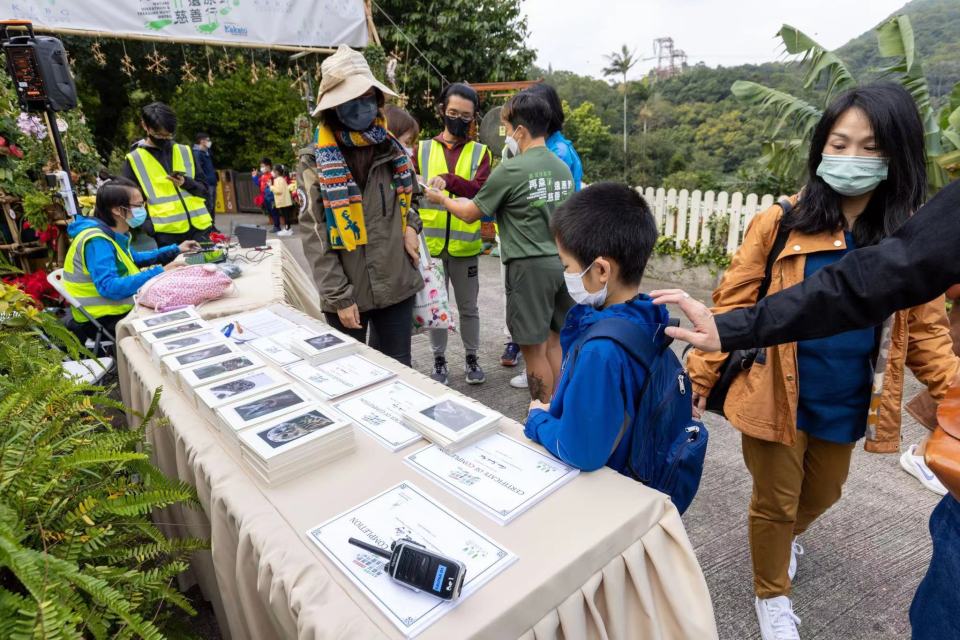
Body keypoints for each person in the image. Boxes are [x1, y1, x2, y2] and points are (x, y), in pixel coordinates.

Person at [681, 83, 959, 640]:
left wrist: (954, 391)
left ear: (897, 155)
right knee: (775, 502)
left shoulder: (910, 242)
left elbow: (928, 332)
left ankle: (782, 541)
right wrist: (696, 382)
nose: (851, 159)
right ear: (820, 147)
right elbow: (731, 305)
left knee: (824, 492)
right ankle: (771, 593)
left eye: (870, 147)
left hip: (848, 397)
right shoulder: (780, 221)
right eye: (840, 143)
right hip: (775, 392)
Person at [426, 91, 574, 402]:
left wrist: (441, 199)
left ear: (520, 131)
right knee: (555, 343)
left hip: (528, 268)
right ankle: (559, 411)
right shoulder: (562, 168)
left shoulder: (512, 169)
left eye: (507, 127)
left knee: (533, 353)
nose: (506, 133)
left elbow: (470, 214)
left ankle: (541, 413)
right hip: (561, 265)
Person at [524, 182, 666, 472]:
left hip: (609, 481)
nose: (566, 274)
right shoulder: (650, 315)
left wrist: (538, 420)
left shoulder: (600, 352)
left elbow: (582, 452)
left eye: (567, 266)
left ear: (601, 270)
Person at [302, 45, 423, 367]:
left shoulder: (392, 149)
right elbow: (315, 234)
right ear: (334, 107)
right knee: (351, 371)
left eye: (368, 97)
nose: (363, 106)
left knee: (399, 369)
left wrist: (411, 226)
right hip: (348, 291)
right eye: (352, 99)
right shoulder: (315, 160)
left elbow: (414, 197)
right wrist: (339, 296)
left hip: (396, 284)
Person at [503, 83, 585, 388]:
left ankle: (544, 399)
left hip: (540, 252)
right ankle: (556, 400)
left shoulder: (556, 152)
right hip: (558, 251)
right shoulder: (557, 148)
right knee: (552, 335)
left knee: (542, 337)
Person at [414, 83, 493, 386]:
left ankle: (471, 357)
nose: (458, 119)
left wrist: (448, 181)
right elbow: (409, 188)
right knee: (437, 307)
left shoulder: (481, 152)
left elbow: (480, 190)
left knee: (468, 308)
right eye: (452, 113)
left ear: (474, 118)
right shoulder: (421, 149)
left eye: (465, 115)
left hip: (465, 246)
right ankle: (438, 360)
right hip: (430, 247)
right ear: (442, 111)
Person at [63, 177, 199, 342]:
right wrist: (160, 271)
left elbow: (134, 258)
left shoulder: (111, 234)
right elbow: (110, 287)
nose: (143, 209)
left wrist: (175, 249)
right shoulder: (97, 241)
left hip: (120, 306)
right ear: (117, 210)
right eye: (138, 205)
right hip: (103, 317)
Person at [122, 102, 213, 246]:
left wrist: (186, 183)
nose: (164, 139)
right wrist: (149, 227)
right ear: (145, 126)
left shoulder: (185, 151)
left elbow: (205, 190)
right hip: (167, 236)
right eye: (158, 134)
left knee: (210, 268)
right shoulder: (134, 160)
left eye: (168, 135)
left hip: (200, 229)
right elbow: (127, 201)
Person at [192, 132, 218, 223]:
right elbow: (199, 170)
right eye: (207, 140)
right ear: (202, 141)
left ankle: (212, 226)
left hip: (212, 183)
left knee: (212, 205)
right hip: (207, 184)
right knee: (208, 205)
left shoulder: (206, 152)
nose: (209, 142)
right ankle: (208, 227)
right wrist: (204, 183)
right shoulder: (197, 154)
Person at [252, 158, 279, 232]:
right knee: (270, 211)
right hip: (266, 196)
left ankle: (277, 226)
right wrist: (254, 177)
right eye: (261, 166)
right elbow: (259, 184)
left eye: (263, 166)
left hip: (272, 196)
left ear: (268, 166)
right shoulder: (263, 176)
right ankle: (275, 225)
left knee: (274, 211)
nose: (262, 168)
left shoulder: (272, 175)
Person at [270, 164, 295, 237]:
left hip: (283, 202)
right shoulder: (281, 179)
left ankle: (288, 229)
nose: (272, 172)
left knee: (286, 216)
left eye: (273, 171)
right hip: (284, 201)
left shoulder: (278, 180)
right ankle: (288, 228)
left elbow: (279, 191)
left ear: (277, 172)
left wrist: (271, 187)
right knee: (285, 215)